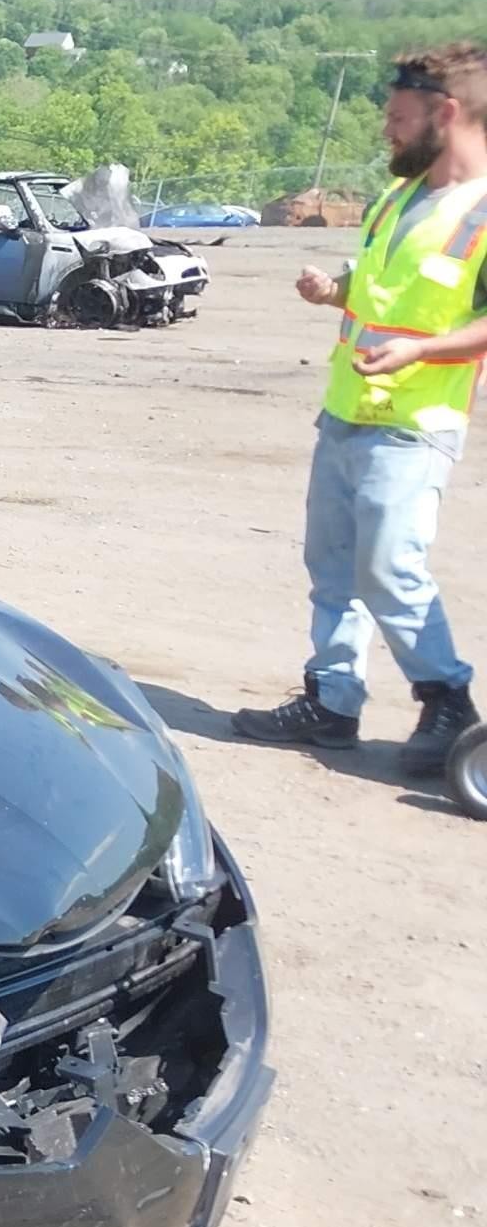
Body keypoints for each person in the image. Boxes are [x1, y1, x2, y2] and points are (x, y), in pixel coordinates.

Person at [234, 43, 487, 776]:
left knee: (387, 567)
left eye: (400, 117)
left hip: (415, 424)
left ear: (446, 114)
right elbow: (384, 286)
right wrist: (334, 288)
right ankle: (332, 702)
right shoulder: (397, 200)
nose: (388, 130)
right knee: (334, 567)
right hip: (345, 411)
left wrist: (422, 353)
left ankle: (447, 700)